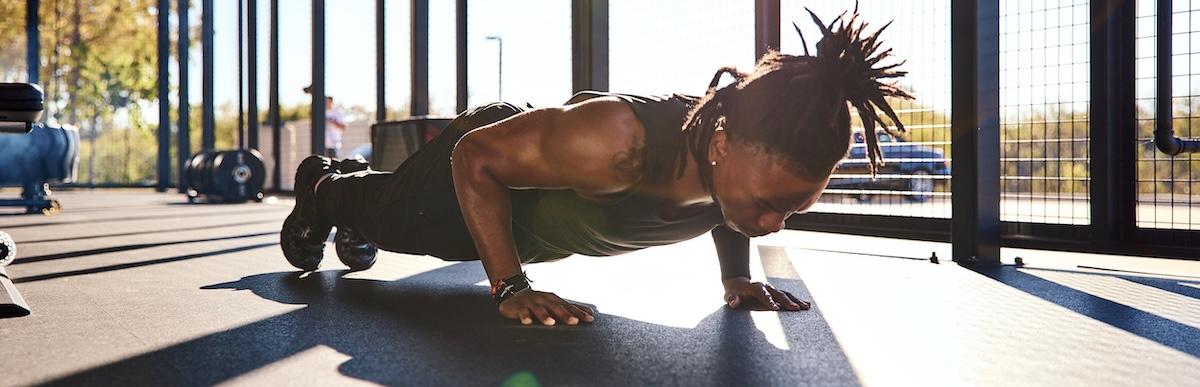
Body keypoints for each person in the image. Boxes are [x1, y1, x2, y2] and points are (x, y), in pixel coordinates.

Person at [280, 9, 911, 326]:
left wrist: (736, 281)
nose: (773, 223)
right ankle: (324, 187)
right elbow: (473, 157)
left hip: (533, 180)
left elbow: (730, 207)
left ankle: (350, 197)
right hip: (481, 166)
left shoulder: (732, 165)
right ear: (721, 144)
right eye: (771, 203)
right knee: (397, 229)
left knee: (395, 223)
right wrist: (509, 288)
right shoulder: (619, 145)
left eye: (793, 209)